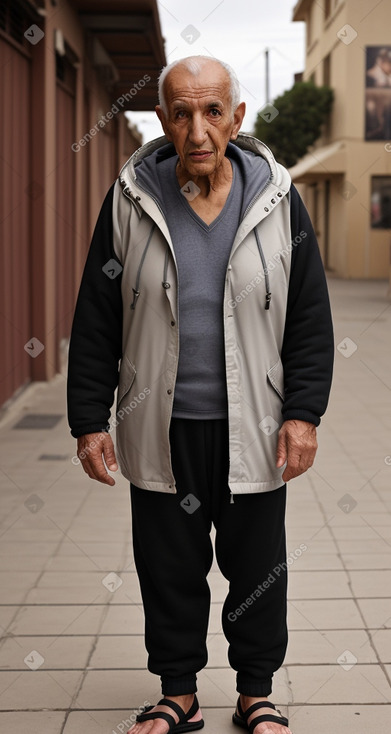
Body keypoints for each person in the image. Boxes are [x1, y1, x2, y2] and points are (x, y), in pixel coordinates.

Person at [67, 56, 334, 734]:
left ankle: (254, 694)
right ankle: (178, 693)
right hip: (160, 422)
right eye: (181, 112)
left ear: (236, 119)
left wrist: (302, 414)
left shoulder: (277, 196)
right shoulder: (131, 197)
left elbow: (307, 314)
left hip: (254, 423)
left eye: (212, 110)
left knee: (256, 568)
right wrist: (88, 418)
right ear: (162, 120)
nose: (197, 128)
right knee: (168, 567)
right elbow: (97, 316)